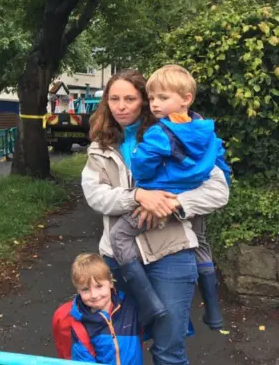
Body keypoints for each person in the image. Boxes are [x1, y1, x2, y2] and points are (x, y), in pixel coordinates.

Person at [81, 69, 230, 365]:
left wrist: (169, 202)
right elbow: (95, 195)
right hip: (119, 258)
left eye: (129, 99)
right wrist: (136, 197)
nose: (121, 106)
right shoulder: (100, 147)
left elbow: (218, 191)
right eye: (114, 99)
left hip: (172, 253)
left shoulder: (178, 135)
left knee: (168, 350)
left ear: (144, 102)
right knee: (121, 346)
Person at [52, 253, 143, 365]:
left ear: (110, 282)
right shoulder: (79, 324)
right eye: (85, 289)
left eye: (99, 286)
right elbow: (83, 361)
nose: (94, 295)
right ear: (78, 290)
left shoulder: (129, 307)